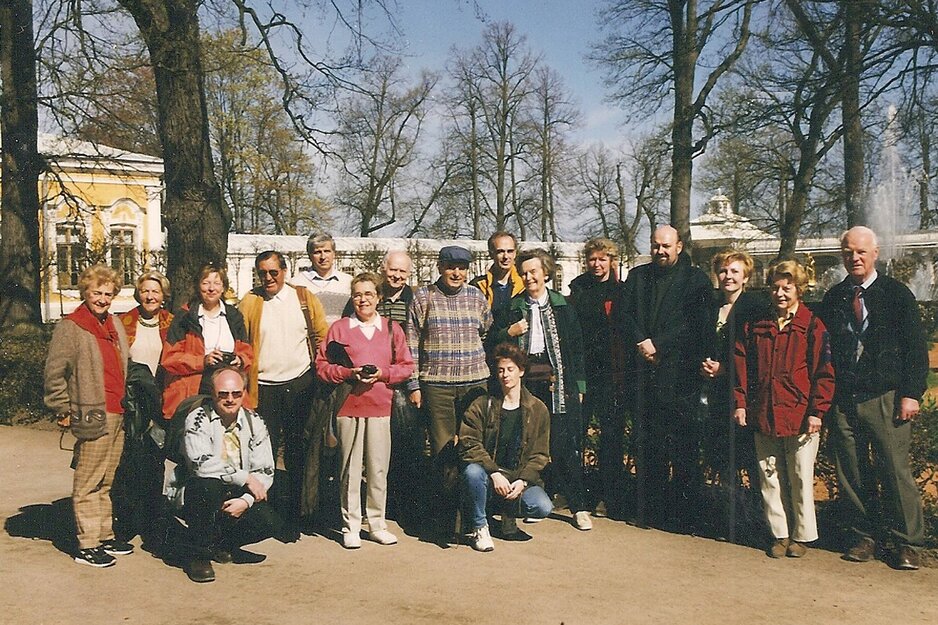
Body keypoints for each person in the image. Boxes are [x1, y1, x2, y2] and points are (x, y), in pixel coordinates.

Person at [820, 226, 929, 570]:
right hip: (845, 397)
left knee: (894, 470)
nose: (855, 258)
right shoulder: (834, 297)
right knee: (850, 470)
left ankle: (906, 542)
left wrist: (911, 393)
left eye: (862, 252)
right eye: (849, 252)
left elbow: (915, 348)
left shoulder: (897, 294)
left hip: (886, 395)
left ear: (876, 253)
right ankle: (863, 536)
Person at [733, 260, 834, 558]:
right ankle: (779, 534)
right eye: (775, 287)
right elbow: (742, 368)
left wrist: (818, 411)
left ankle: (801, 537)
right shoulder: (756, 325)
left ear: (799, 290)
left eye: (786, 288)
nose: (779, 293)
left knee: (800, 475)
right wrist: (740, 404)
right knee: (769, 475)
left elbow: (824, 371)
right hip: (764, 411)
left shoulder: (812, 325)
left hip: (800, 414)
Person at [490, 248, 592, 531]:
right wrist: (508, 333)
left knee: (561, 445)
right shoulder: (513, 307)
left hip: (557, 384)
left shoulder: (563, 306)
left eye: (534, 271)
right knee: (522, 443)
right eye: (524, 272)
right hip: (524, 384)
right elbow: (494, 343)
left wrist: (579, 386)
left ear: (545, 273)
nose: (529, 276)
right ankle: (532, 502)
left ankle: (578, 507)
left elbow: (576, 348)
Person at [619, 225, 713, 530]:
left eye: (666, 246)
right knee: (649, 446)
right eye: (656, 245)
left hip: (679, 375)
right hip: (644, 373)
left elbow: (696, 323)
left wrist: (659, 344)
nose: (661, 251)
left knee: (684, 449)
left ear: (679, 246)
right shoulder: (638, 276)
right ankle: (650, 512)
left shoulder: (696, 280)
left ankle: (686, 516)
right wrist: (641, 342)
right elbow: (624, 314)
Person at [316, 273, 415, 548]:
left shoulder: (392, 328)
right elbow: (322, 366)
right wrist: (349, 373)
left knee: (378, 468)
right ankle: (350, 525)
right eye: (358, 294)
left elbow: (406, 366)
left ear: (378, 297)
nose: (363, 300)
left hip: (381, 406)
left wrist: (383, 373)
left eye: (369, 294)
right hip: (348, 406)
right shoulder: (339, 328)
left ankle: (377, 523)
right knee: (349, 469)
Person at [44, 265, 132, 567]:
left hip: (118, 410)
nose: (103, 299)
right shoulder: (72, 326)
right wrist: (62, 408)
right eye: (97, 292)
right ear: (86, 292)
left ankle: (104, 535)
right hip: (93, 411)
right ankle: (87, 544)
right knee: (88, 481)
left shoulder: (114, 324)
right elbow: (55, 374)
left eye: (108, 294)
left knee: (107, 479)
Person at [238, 251, 328, 533]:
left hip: (300, 383)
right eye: (262, 273)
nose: (268, 278)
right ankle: (267, 513)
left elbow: (321, 335)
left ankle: (299, 513)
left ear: (284, 271)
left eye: (273, 272)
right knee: (263, 454)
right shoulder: (250, 301)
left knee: (297, 449)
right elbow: (241, 341)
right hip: (264, 387)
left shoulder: (303, 298)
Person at [165, 367, 281, 583]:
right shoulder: (198, 418)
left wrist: (246, 501)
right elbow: (202, 465)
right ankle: (198, 555)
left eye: (236, 393)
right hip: (200, 488)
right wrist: (244, 478)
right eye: (223, 394)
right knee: (208, 487)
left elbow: (265, 470)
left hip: (235, 491)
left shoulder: (255, 421)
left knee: (270, 522)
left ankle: (221, 544)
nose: (230, 399)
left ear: (244, 393)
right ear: (213, 393)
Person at [407, 245, 492, 535]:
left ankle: (475, 518)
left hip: (474, 385)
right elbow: (412, 344)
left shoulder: (476, 296)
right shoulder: (424, 296)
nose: (456, 273)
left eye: (462, 268)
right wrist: (415, 384)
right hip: (437, 387)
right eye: (450, 267)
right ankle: (446, 520)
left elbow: (485, 331)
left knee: (473, 450)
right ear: (440, 267)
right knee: (443, 453)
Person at [699, 250, 768, 539]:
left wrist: (726, 369)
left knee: (749, 460)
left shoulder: (755, 305)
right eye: (724, 271)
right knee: (722, 459)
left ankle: (756, 523)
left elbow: (757, 354)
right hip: (713, 394)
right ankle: (727, 520)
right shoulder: (711, 305)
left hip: (743, 394)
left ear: (746, 276)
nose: (728, 276)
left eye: (735, 271)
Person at [459, 343, 553, 552]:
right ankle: (480, 526)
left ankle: (507, 516)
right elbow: (469, 443)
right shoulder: (483, 404)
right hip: (488, 475)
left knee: (542, 506)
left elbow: (540, 454)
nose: (505, 375)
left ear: (521, 371)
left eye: (510, 369)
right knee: (472, 472)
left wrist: (523, 480)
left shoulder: (538, 409)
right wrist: (493, 472)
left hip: (516, 478)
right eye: (501, 370)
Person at [113, 270, 174, 548]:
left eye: (156, 291)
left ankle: (152, 523)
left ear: (163, 296)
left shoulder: (173, 323)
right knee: (127, 463)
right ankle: (124, 522)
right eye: (146, 291)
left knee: (155, 461)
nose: (150, 296)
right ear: (139, 294)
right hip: (133, 403)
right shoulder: (124, 322)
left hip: (160, 402)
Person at [568, 237, 628, 518]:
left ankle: (610, 494)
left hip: (611, 372)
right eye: (593, 259)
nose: (597, 264)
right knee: (576, 432)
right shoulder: (578, 288)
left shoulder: (621, 291)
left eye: (603, 259)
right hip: (583, 371)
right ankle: (577, 493)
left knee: (611, 435)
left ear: (611, 261)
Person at [161, 264, 254, 420]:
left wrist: (240, 359)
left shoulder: (233, 316)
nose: (211, 288)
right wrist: (203, 361)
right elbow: (169, 359)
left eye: (217, 283)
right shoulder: (185, 317)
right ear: (198, 286)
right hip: (194, 389)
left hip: (227, 390)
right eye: (206, 283)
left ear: (223, 287)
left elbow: (246, 351)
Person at [291, 232, 353, 325]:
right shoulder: (296, 283)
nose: (323, 257)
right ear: (309, 256)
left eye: (327, 251)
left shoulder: (348, 282)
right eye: (317, 252)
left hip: (342, 338)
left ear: (334, 254)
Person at [469, 231, 524, 313]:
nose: (506, 256)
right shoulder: (478, 286)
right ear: (491, 254)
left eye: (510, 251)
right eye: (500, 252)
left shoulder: (525, 284)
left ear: (515, 253)